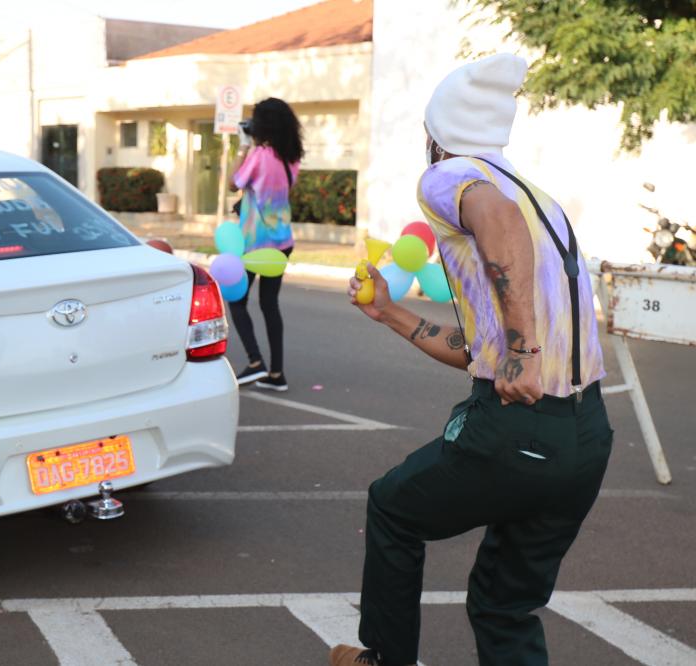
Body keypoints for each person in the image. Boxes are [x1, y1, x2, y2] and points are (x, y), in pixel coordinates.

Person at [330, 54, 612, 666]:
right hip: (586, 436)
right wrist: (390, 313)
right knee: (503, 605)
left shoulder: (451, 175)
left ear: (438, 134)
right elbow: (480, 351)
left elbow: (493, 216)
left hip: (517, 432)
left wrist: (523, 351)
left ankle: (385, 660)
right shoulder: (539, 198)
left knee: (394, 506)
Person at [226, 97, 303, 391]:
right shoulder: (292, 157)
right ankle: (276, 374)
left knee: (237, 300)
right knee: (270, 304)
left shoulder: (259, 154)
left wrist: (243, 146)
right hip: (282, 241)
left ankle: (255, 361)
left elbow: (233, 182)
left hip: (254, 243)